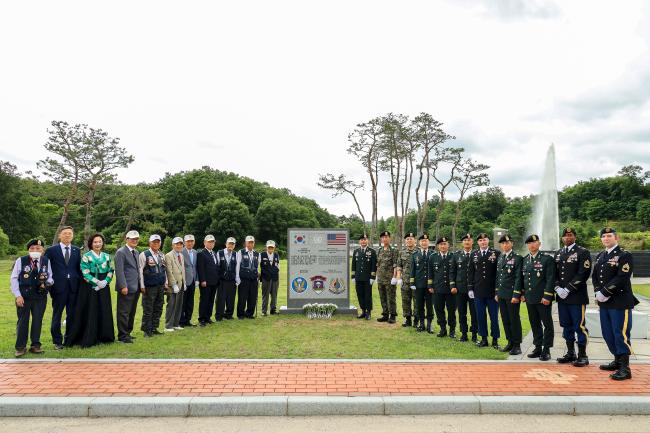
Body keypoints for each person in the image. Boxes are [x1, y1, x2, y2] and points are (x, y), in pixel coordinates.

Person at [593, 227, 639, 380]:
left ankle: (625, 368)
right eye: (603, 236)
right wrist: (598, 292)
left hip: (619, 301)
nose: (606, 238)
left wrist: (605, 292)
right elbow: (595, 277)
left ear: (616, 238)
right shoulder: (600, 256)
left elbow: (622, 277)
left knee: (620, 333)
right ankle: (617, 360)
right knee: (608, 333)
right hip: (605, 303)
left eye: (609, 236)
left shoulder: (624, 255)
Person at [66, 233, 115, 347]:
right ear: (91, 244)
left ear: (102, 243)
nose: (98, 244)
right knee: (91, 310)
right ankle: (90, 337)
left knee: (104, 309)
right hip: (89, 287)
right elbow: (85, 272)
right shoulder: (86, 256)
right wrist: (97, 282)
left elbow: (111, 270)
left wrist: (105, 281)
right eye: (95, 242)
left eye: (99, 242)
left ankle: (105, 336)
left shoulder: (107, 256)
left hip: (104, 286)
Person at [554, 227, 592, 367]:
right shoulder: (558, 253)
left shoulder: (582, 252)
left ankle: (583, 355)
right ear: (562, 238)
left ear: (575, 236)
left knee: (579, 326)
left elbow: (583, 273)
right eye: (565, 236)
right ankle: (571, 353)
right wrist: (557, 287)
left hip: (576, 296)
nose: (567, 237)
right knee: (566, 325)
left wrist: (568, 288)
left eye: (570, 235)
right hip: (562, 297)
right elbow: (554, 273)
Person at [10, 239, 53, 357]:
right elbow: (14, 278)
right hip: (24, 296)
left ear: (42, 250)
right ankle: (20, 347)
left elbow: (50, 276)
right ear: (28, 250)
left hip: (40, 296)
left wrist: (47, 284)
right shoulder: (21, 260)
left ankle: (35, 345)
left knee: (37, 320)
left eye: (38, 248)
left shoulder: (46, 261)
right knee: (23, 321)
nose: (35, 250)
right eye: (32, 248)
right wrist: (17, 295)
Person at [45, 226, 81, 350]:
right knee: (57, 314)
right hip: (58, 288)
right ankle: (57, 341)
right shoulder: (51, 250)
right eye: (65, 233)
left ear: (73, 235)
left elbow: (78, 269)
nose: (67, 235)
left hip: (73, 288)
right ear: (60, 235)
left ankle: (69, 339)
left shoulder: (77, 250)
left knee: (71, 315)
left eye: (70, 233)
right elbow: (46, 268)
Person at [522, 234, 556, 361]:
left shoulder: (547, 259)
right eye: (529, 243)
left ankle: (546, 349)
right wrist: (523, 294)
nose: (532, 245)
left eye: (534, 242)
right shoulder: (525, 260)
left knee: (547, 324)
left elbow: (550, 279)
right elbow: (524, 279)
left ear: (539, 244)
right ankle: (537, 347)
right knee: (534, 323)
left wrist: (547, 296)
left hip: (543, 298)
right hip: (530, 298)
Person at [468, 233, 501, 349]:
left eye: (485, 240)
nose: (483, 242)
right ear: (478, 242)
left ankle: (495, 340)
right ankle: (483, 339)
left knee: (494, 317)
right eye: (480, 240)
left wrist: (498, 291)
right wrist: (470, 288)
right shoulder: (474, 254)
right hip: (478, 291)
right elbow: (471, 272)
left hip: (492, 292)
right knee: (480, 316)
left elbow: (499, 274)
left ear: (488, 241)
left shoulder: (496, 253)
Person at [495, 234, 523, 355]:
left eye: (507, 243)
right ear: (501, 245)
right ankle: (510, 342)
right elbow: (498, 277)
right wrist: (497, 292)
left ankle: (517, 345)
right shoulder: (501, 257)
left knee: (514, 319)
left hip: (512, 294)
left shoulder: (517, 258)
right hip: (501, 294)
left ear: (512, 244)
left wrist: (516, 295)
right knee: (505, 320)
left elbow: (518, 278)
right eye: (503, 243)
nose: (505, 245)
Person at [114, 230, 141, 343]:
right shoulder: (121, 252)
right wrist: (123, 286)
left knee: (131, 312)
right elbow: (119, 271)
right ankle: (122, 336)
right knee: (124, 312)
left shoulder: (136, 252)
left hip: (135, 287)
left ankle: (128, 333)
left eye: (136, 239)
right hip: (126, 288)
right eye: (132, 239)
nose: (134, 241)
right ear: (127, 239)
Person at [139, 234, 168, 337]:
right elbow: (140, 271)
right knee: (148, 308)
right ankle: (147, 330)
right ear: (150, 243)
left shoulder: (162, 255)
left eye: (158, 242)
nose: (156, 244)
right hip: (149, 286)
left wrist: (166, 283)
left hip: (160, 285)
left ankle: (154, 328)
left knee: (159, 307)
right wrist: (141, 285)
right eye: (154, 242)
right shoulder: (144, 254)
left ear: (160, 243)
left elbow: (164, 270)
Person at [451, 233, 477, 342]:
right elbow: (452, 271)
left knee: (474, 313)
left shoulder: (476, 254)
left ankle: (475, 334)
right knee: (462, 313)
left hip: (474, 289)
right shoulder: (456, 255)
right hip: (460, 288)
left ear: (472, 242)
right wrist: (452, 285)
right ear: (462, 243)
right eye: (465, 240)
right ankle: (464, 334)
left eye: (469, 240)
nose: (467, 242)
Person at [430, 237, 457, 338]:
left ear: (448, 245)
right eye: (441, 244)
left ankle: (452, 330)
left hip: (451, 289)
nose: (443, 246)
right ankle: (443, 329)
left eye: (445, 244)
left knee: (451, 310)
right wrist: (430, 285)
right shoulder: (433, 257)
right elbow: (430, 272)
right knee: (439, 309)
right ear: (438, 246)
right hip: (438, 288)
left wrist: (455, 286)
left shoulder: (453, 256)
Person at [410, 234, 434, 333]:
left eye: (426, 241)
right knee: (419, 305)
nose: (424, 243)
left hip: (430, 285)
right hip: (418, 284)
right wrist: (412, 282)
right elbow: (413, 269)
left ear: (428, 242)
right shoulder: (415, 255)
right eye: (422, 241)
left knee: (429, 305)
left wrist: (433, 284)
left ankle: (429, 324)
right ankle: (421, 323)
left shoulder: (433, 254)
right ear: (419, 243)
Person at [351, 234, 377, 320]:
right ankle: (363, 311)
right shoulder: (356, 251)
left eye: (365, 239)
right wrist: (353, 276)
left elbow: (374, 265)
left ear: (367, 241)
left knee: (367, 295)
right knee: (360, 294)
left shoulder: (372, 251)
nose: (363, 241)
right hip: (358, 277)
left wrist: (372, 277)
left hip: (367, 278)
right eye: (362, 240)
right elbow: (354, 264)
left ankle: (368, 312)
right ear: (359, 241)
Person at [376, 231, 399, 324]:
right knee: (382, 297)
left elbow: (395, 264)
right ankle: (385, 314)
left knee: (391, 297)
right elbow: (378, 264)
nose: (384, 239)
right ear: (381, 239)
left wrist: (394, 277)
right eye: (383, 237)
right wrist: (377, 275)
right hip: (381, 278)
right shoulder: (379, 250)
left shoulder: (394, 250)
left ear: (390, 238)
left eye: (386, 237)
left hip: (390, 278)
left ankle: (392, 315)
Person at [197, 234, 220, 326]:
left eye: (212, 242)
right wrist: (202, 280)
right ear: (205, 242)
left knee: (211, 300)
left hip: (214, 281)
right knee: (204, 300)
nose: (211, 243)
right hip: (205, 282)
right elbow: (201, 268)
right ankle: (202, 319)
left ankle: (208, 317)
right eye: (209, 242)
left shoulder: (214, 253)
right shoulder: (201, 253)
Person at [164, 237, 186, 332]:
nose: (179, 246)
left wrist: (184, 282)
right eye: (177, 244)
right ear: (173, 245)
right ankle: (168, 326)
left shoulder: (181, 255)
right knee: (171, 305)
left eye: (181, 244)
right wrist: (173, 284)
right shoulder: (168, 255)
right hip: (173, 286)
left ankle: (176, 324)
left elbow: (183, 271)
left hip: (181, 284)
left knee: (178, 305)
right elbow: (169, 271)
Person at [236, 235, 260, 319]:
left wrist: (258, 275)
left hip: (254, 279)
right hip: (244, 279)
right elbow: (237, 265)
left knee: (252, 297)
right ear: (245, 243)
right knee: (242, 297)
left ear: (254, 243)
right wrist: (237, 278)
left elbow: (257, 266)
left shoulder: (257, 254)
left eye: (252, 242)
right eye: (249, 242)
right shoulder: (241, 252)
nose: (250, 244)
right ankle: (241, 314)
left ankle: (249, 314)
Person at [396, 232, 417, 328]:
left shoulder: (419, 252)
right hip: (405, 281)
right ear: (405, 241)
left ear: (415, 240)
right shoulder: (402, 252)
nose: (409, 240)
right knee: (405, 301)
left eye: (411, 239)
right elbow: (399, 266)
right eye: (407, 239)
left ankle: (417, 319)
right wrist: (399, 278)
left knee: (417, 301)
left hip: (417, 282)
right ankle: (407, 319)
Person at [217, 237, 238, 320]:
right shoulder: (220, 253)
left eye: (232, 244)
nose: (231, 245)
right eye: (229, 243)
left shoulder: (236, 254)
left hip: (232, 280)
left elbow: (237, 267)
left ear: (234, 245)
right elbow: (217, 267)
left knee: (231, 299)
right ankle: (219, 316)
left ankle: (229, 315)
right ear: (226, 244)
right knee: (221, 299)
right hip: (222, 280)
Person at [180, 234, 199, 327]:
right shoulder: (181, 252)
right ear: (184, 242)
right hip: (184, 281)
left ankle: (188, 320)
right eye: (188, 241)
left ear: (194, 242)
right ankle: (181, 321)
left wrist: (197, 279)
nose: (190, 243)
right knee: (183, 302)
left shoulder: (195, 252)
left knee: (190, 302)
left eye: (192, 241)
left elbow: (196, 267)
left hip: (192, 281)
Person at [260, 240, 280, 316]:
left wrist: (274, 273)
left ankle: (273, 310)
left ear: (274, 248)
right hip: (266, 278)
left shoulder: (276, 255)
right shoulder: (261, 255)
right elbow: (259, 266)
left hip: (275, 278)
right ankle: (264, 311)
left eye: (272, 247)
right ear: (266, 247)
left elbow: (278, 267)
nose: (270, 248)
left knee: (274, 295)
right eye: (269, 247)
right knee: (265, 295)